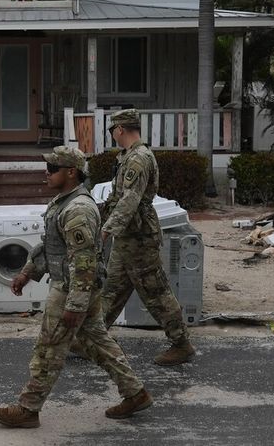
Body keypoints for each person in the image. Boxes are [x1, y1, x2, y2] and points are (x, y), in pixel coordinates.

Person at [0, 146, 152, 429]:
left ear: (71, 172)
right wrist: (28, 272)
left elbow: (84, 260)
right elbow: (53, 246)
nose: (47, 173)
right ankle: (135, 393)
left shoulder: (78, 209)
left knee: (49, 348)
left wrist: (75, 304)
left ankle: (28, 408)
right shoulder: (63, 202)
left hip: (71, 289)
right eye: (48, 168)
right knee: (97, 343)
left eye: (53, 169)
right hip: (77, 287)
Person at [99, 109, 196, 366]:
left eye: (112, 130)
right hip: (127, 236)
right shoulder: (128, 156)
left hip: (139, 237)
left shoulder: (138, 159)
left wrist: (108, 228)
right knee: (112, 289)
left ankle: (181, 343)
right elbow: (118, 198)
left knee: (155, 291)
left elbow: (129, 201)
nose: (112, 134)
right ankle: (92, 337)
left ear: (120, 129)